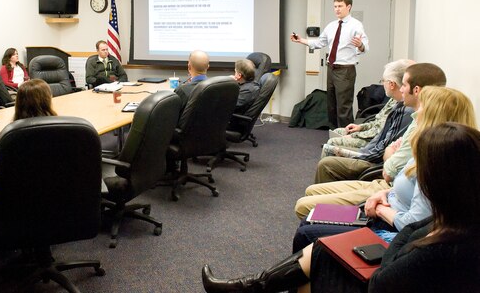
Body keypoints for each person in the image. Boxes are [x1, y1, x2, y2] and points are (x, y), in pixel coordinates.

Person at [202, 121, 480, 293]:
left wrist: (399, 236)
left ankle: (250, 286)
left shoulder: (443, 246)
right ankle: (251, 286)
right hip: (393, 249)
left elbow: (381, 281)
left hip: (380, 279)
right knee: (321, 249)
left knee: (319, 256)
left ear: (440, 182)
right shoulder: (459, 219)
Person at [292, 86, 477, 251]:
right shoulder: (429, 147)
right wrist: (385, 194)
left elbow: (414, 222)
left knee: (306, 229)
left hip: (389, 226)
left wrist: (380, 208)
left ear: (433, 116)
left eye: (421, 108)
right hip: (386, 202)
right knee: (308, 224)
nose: (415, 114)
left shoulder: (435, 161)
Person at [311, 62, 446, 189]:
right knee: (330, 155)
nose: (402, 89)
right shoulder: (406, 109)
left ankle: (325, 205)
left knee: (327, 162)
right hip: (375, 155)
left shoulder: (409, 113)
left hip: (375, 164)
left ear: (416, 90)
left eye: (404, 85)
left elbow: (386, 160)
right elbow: (381, 131)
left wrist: (360, 152)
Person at [316, 60, 414, 178]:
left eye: (383, 81)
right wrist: (361, 128)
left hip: (371, 157)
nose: (382, 84)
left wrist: (357, 147)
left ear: (392, 84)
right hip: (371, 149)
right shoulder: (397, 103)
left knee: (328, 153)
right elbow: (379, 127)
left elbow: (380, 144)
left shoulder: (405, 110)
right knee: (334, 140)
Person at [291, 0, 369, 129]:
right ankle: (333, 136)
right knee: (331, 105)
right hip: (331, 68)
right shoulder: (331, 26)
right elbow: (320, 43)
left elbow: (365, 47)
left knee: (343, 107)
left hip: (345, 70)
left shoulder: (356, 25)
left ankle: (345, 139)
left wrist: (360, 45)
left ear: (348, 7)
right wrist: (301, 40)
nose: (337, 9)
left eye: (340, 6)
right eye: (335, 6)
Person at [0, 79, 56, 192]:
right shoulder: (67, 131)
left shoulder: (7, 137)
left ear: (18, 103)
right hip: (61, 199)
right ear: (49, 101)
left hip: (16, 204)